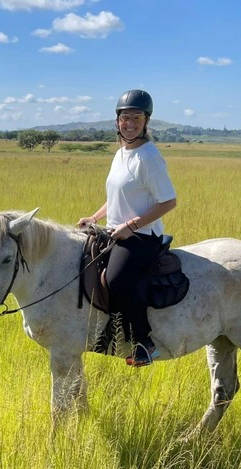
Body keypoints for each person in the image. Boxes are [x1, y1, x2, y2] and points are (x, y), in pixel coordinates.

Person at [77, 89, 177, 367]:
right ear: (117, 121)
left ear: (146, 121)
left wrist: (130, 226)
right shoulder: (121, 153)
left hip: (142, 236)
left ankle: (145, 343)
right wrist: (95, 218)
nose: (130, 123)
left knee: (117, 279)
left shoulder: (149, 157)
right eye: (125, 118)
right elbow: (116, 197)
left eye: (136, 118)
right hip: (115, 231)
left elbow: (168, 201)